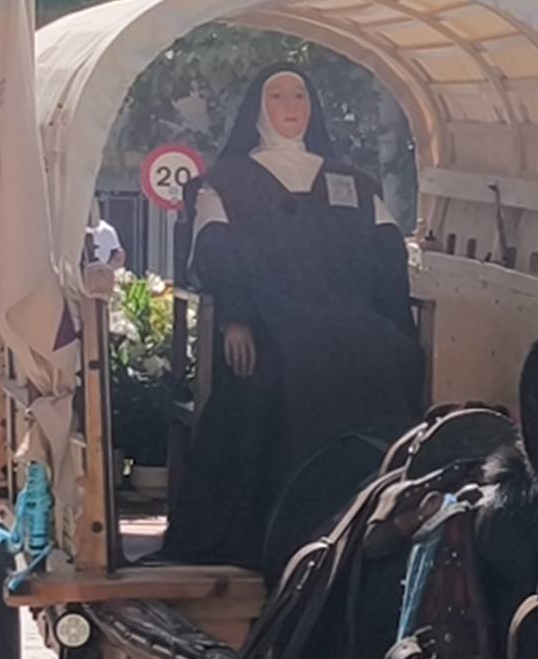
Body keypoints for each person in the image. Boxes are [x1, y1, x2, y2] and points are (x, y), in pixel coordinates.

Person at [156, 64, 422, 571]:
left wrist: (396, 327)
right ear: (259, 107)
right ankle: (284, 525)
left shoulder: (350, 180)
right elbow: (214, 254)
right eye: (277, 95)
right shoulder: (228, 181)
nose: (290, 105)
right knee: (277, 371)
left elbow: (388, 255)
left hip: (348, 318)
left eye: (300, 94)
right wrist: (236, 318)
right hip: (269, 322)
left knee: (386, 354)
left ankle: (377, 511)